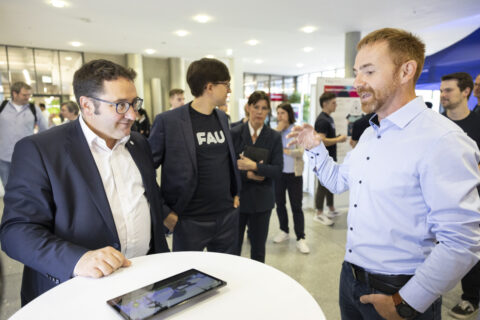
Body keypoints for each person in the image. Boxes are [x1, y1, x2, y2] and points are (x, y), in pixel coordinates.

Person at [287, 28, 480, 320]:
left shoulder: (443, 139)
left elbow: (462, 240)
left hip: (400, 289)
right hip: (350, 278)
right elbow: (338, 182)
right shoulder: (370, 135)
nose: (357, 82)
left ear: (406, 71)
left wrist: (407, 302)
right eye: (356, 72)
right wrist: (315, 148)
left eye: (369, 71)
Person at [0, 59, 169, 306]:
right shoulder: (40, 150)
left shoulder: (138, 144)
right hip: (76, 293)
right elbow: (16, 232)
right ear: (87, 105)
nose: (133, 114)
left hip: (143, 284)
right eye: (120, 105)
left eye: (134, 103)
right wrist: (78, 260)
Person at [149, 58, 240, 254]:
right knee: (187, 279)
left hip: (226, 217)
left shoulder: (223, 118)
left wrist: (236, 192)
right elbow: (145, 171)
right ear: (209, 87)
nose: (229, 90)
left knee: (229, 273)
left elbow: (227, 161)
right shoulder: (168, 121)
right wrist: (164, 212)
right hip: (189, 220)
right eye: (226, 85)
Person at [440, 72, 480, 319]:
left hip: (472, 199)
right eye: (442, 91)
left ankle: (471, 298)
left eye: (448, 91)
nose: (443, 95)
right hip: (440, 198)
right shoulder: (437, 124)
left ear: (465, 92)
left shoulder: (477, 123)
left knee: (469, 248)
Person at [231, 91, 283, 263]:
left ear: (268, 112)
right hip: (238, 200)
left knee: (259, 250)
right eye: (256, 107)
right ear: (248, 108)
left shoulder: (274, 137)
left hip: (262, 203)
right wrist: (249, 175)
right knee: (233, 249)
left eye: (264, 108)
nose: (260, 112)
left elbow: (277, 169)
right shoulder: (234, 133)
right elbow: (227, 168)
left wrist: (253, 166)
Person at [272, 102, 309, 254]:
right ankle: (284, 231)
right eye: (278, 113)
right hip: (279, 173)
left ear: (289, 114)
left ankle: (301, 237)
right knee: (280, 204)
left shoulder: (296, 130)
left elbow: (300, 151)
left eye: (282, 113)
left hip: (294, 174)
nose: (280, 116)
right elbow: (268, 148)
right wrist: (277, 132)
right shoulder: (275, 132)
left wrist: (285, 151)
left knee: (296, 206)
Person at [0, 82, 48, 187]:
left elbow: (44, 130)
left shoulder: (34, 109)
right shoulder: (2, 107)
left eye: (29, 95)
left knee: (28, 187)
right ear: (14, 94)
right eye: (24, 95)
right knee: (8, 186)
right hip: (4, 157)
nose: (28, 97)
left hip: (26, 157)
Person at [313, 92, 347, 225]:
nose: (336, 105)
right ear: (325, 104)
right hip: (322, 159)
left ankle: (331, 208)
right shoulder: (322, 120)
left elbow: (328, 137)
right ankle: (319, 213)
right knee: (322, 185)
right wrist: (339, 139)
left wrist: (336, 137)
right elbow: (322, 141)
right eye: (333, 103)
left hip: (329, 158)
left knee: (329, 183)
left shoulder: (329, 118)